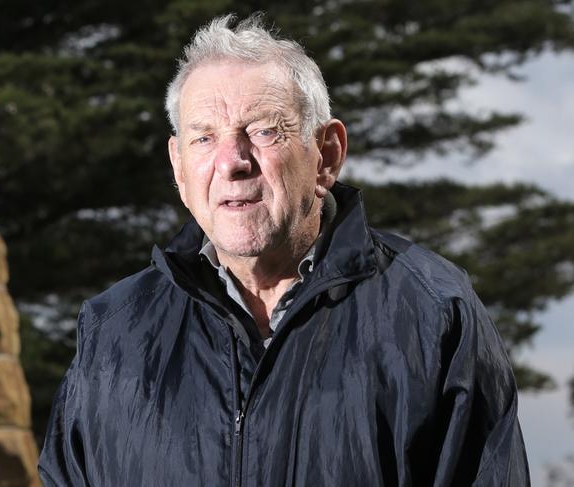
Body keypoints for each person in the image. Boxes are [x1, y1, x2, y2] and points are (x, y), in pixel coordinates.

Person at [38, 14, 530, 486]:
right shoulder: (113, 331)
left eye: (263, 131)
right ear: (179, 169)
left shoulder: (434, 313)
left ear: (327, 156)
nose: (232, 162)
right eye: (204, 137)